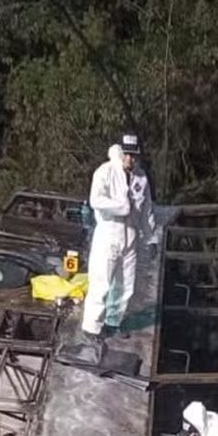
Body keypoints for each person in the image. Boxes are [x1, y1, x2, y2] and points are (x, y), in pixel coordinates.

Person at [81, 134, 157, 346]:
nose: (130, 159)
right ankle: (92, 327)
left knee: (125, 285)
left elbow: (147, 210)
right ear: (121, 153)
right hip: (108, 234)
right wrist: (119, 206)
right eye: (127, 154)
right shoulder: (105, 172)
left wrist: (151, 238)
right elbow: (96, 200)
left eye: (134, 155)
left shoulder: (141, 178)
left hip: (131, 237)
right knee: (101, 282)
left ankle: (113, 322)